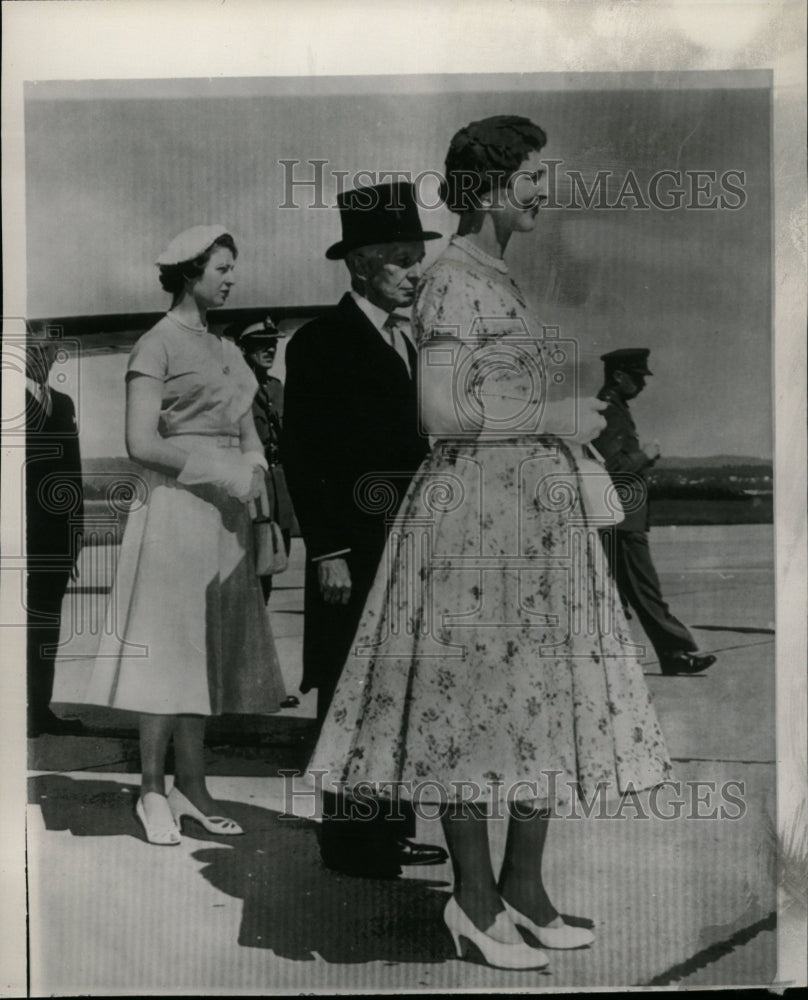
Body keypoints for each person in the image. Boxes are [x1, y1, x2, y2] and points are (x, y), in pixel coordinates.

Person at [309, 117, 674, 970]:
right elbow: (438, 417)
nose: (546, 190)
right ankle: (473, 905)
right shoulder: (450, 281)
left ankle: (526, 892)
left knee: (534, 704)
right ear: (492, 183)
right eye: (536, 175)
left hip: (526, 520)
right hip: (474, 519)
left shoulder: (496, 278)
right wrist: (552, 416)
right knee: (469, 712)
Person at [84, 225, 287, 845]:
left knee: (207, 650)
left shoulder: (227, 350)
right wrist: (222, 469)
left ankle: (192, 784)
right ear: (189, 273)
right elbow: (141, 443)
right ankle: (151, 788)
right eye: (222, 268)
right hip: (174, 507)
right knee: (169, 647)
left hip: (226, 515)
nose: (232, 278)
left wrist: (254, 479)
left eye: (233, 267)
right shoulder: (156, 344)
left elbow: (248, 432)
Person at [283, 181, 448, 878]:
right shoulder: (323, 342)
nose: (416, 273)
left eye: (418, 258)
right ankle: (350, 840)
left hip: (408, 548)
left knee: (398, 685)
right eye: (401, 260)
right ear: (359, 265)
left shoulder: (411, 338)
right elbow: (303, 454)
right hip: (353, 548)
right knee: (348, 688)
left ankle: (390, 826)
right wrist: (329, 549)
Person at [591, 348, 717, 676]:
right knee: (645, 592)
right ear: (619, 376)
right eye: (636, 377)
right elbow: (614, 468)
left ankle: (671, 655)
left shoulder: (615, 409)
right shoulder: (610, 412)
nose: (642, 384)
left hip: (619, 517)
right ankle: (678, 648)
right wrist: (646, 455)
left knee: (621, 595)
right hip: (621, 519)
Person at [25, 329, 85, 737]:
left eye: (50, 350)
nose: (45, 356)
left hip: (54, 538)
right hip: (19, 537)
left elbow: (73, 473)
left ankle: (39, 710)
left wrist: (75, 531)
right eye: (36, 349)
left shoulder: (62, 402)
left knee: (46, 625)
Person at [230, 318, 294, 603]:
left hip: (279, 489)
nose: (270, 350)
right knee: (248, 571)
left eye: (273, 344)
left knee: (273, 560)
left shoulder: (277, 387)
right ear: (243, 350)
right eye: (261, 345)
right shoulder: (232, 388)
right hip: (250, 487)